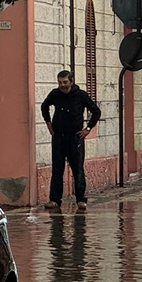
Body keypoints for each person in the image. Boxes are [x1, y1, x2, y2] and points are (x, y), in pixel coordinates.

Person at [41, 70, 101, 211]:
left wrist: (87, 128)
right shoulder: (55, 94)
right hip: (59, 137)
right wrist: (48, 124)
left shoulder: (80, 95)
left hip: (75, 137)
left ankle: (81, 199)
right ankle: (54, 200)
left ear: (71, 82)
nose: (62, 85)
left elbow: (96, 111)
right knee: (57, 169)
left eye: (65, 82)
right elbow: (44, 106)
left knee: (77, 169)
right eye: (60, 82)